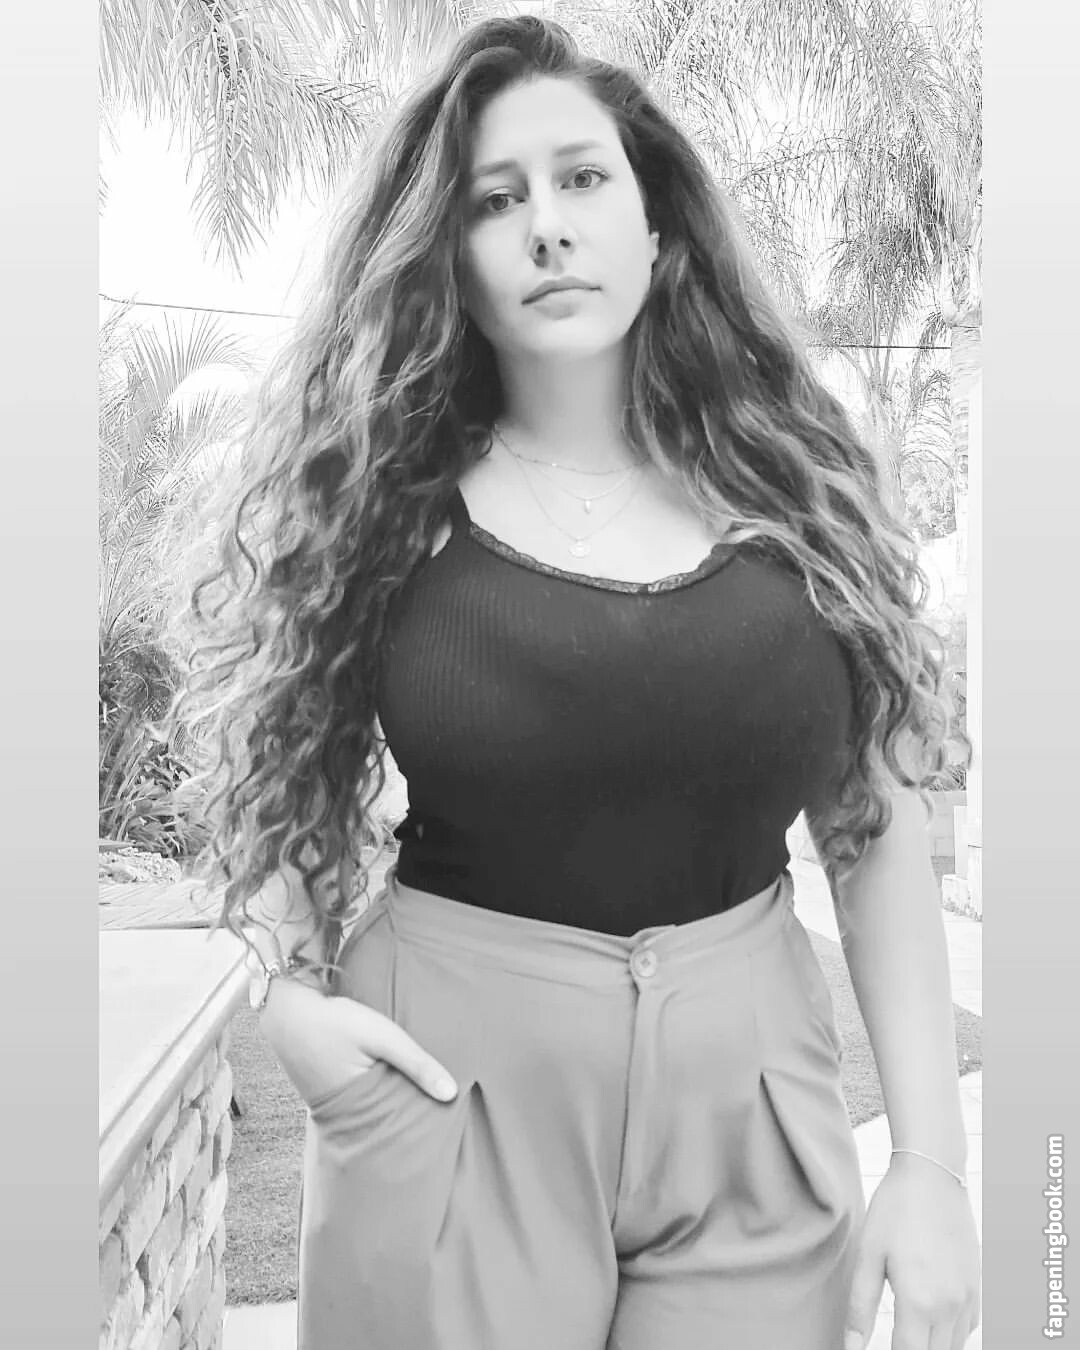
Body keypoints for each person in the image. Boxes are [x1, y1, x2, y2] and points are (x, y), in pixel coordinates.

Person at [173, 15, 981, 1350]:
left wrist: (935, 1166)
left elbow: (873, 825)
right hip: (452, 1095)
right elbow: (284, 760)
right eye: (496, 200)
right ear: (451, 258)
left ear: (657, 226)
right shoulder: (382, 505)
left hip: (751, 1112)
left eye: (583, 178)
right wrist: (292, 1005)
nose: (546, 225)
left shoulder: (797, 499)